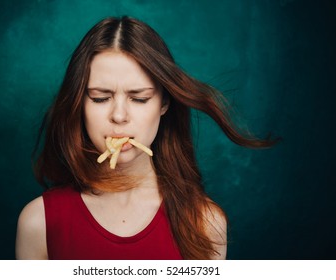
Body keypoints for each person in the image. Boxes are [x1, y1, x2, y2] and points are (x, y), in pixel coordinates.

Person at [15, 16, 277, 260]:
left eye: (139, 98)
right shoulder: (39, 222)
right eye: (100, 98)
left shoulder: (205, 223)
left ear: (164, 103)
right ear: (79, 104)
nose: (119, 116)